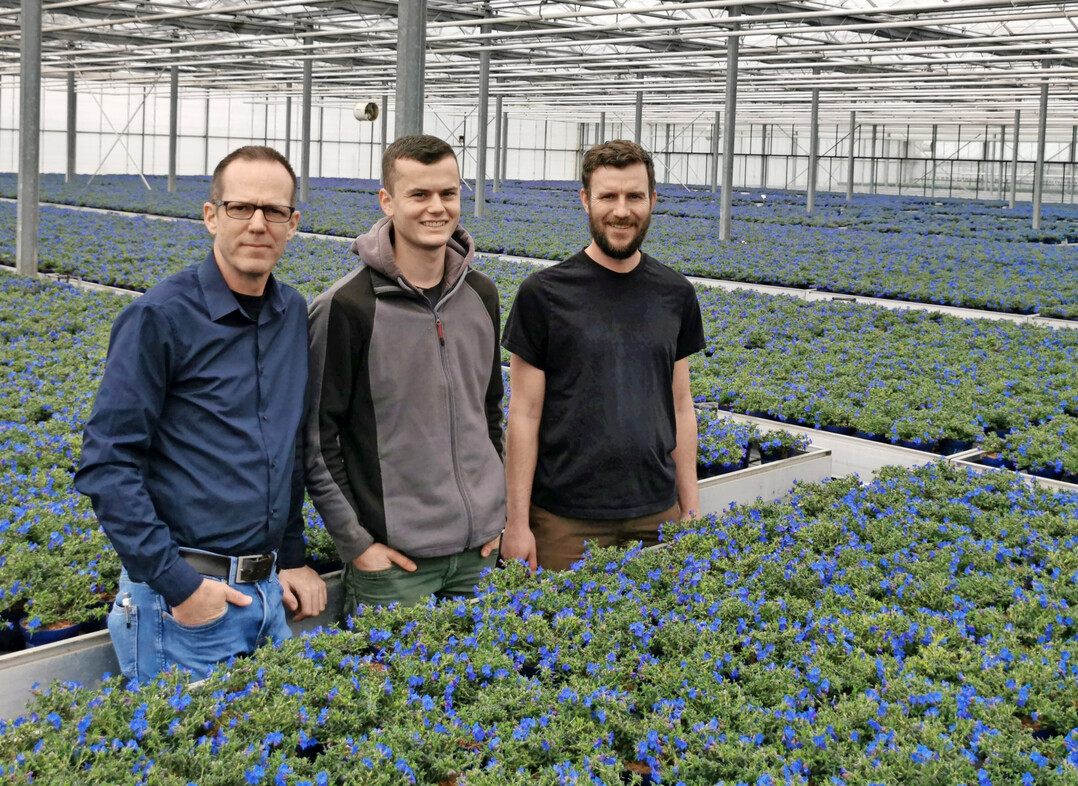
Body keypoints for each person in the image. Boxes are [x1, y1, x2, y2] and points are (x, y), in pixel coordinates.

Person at [75, 145, 327, 682]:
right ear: (211, 215)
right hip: (186, 605)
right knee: (192, 762)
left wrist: (294, 555)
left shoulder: (292, 316)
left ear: (293, 224)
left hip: (265, 594)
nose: (258, 224)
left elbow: (284, 452)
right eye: (241, 208)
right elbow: (106, 464)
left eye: (274, 211)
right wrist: (180, 587)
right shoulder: (158, 319)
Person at [305, 134, 505, 618]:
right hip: (395, 568)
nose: (436, 208)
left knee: (484, 690)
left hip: (480, 556)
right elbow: (316, 439)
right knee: (389, 688)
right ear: (387, 200)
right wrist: (357, 545)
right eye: (419, 195)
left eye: (448, 193)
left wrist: (498, 515)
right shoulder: (346, 308)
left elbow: (491, 411)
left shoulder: (482, 294)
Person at [500, 139, 706, 572]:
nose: (621, 210)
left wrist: (690, 508)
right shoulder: (543, 294)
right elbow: (523, 413)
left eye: (634, 196)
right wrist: (516, 523)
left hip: (656, 512)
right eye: (607, 196)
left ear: (652, 200)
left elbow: (681, 405)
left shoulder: (676, 294)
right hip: (564, 519)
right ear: (585, 200)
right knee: (561, 636)